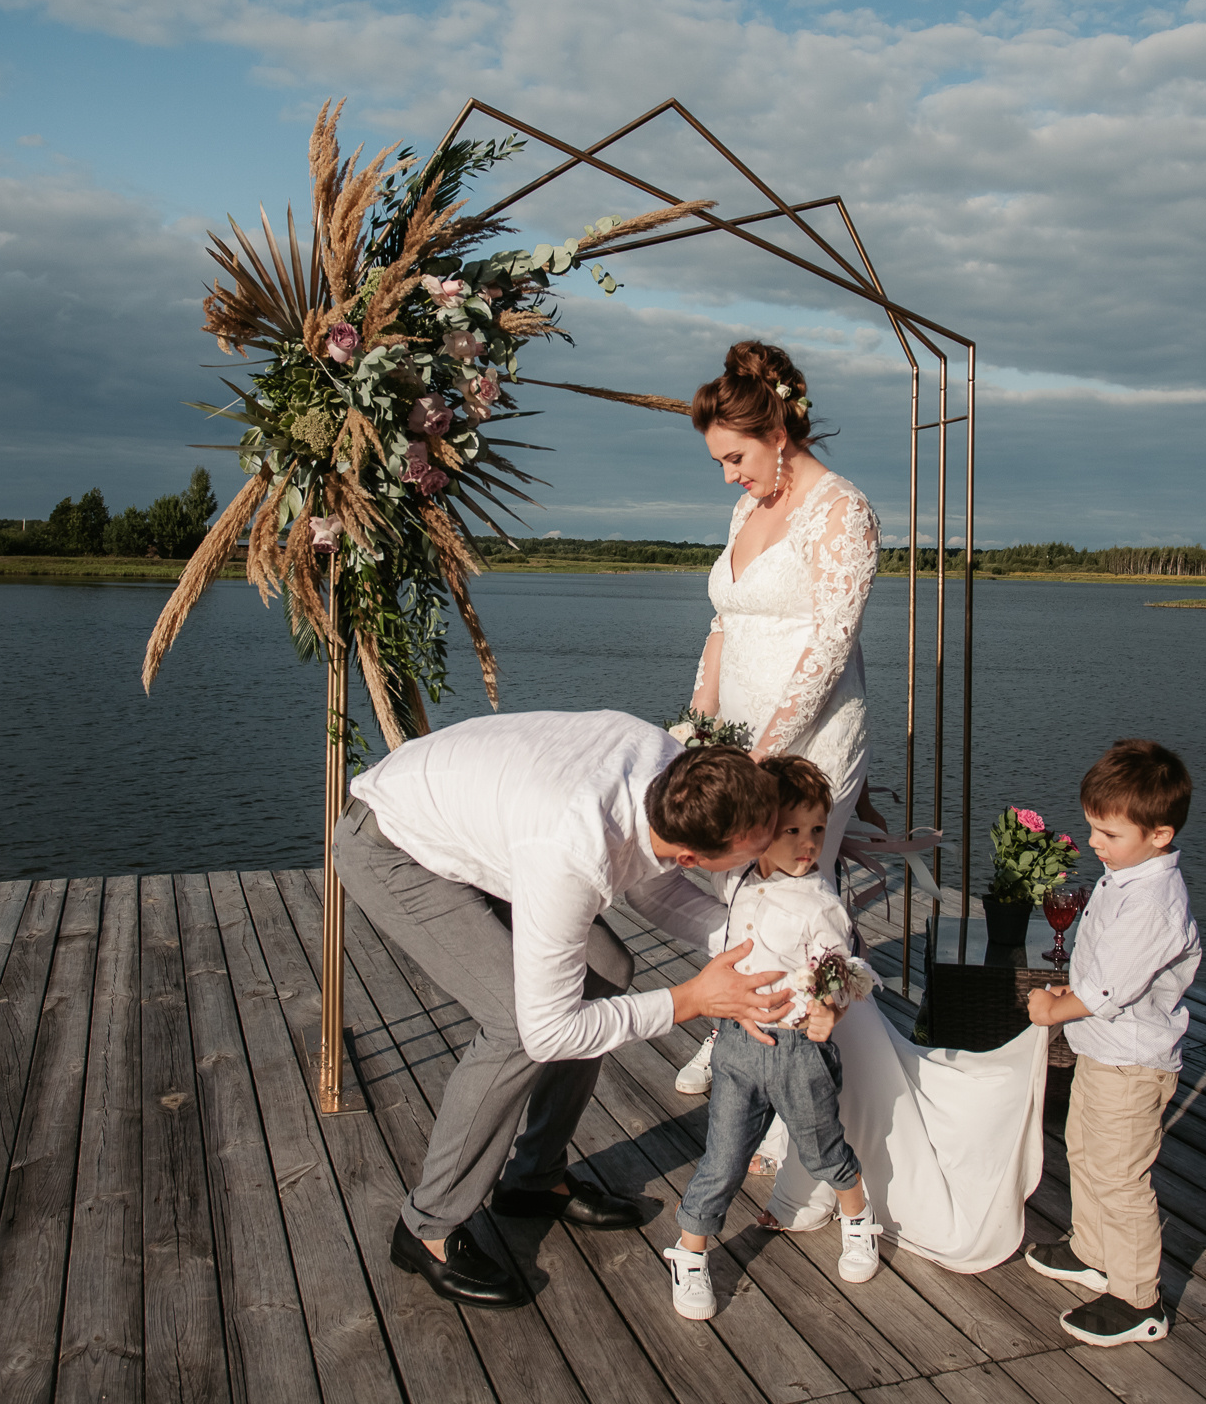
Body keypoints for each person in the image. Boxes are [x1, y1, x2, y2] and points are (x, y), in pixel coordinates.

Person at [337, 710, 794, 1309]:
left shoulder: (667, 768)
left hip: (487, 826)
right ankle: (427, 1228)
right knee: (514, 1026)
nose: (754, 867)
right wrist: (688, 1001)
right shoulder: (572, 849)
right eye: (744, 861)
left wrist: (757, 934)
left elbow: (650, 876)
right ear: (693, 855)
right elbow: (549, 1031)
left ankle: (532, 1179)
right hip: (391, 846)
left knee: (610, 972)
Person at [676, 339, 883, 1101]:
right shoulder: (745, 507)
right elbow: (723, 624)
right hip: (736, 734)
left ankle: (807, 1077)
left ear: (778, 433)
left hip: (812, 738)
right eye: (721, 464)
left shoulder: (844, 511)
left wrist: (763, 758)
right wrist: (698, 735)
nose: (731, 477)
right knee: (735, 895)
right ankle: (737, 1031)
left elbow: (831, 646)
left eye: (737, 458)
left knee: (799, 898)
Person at [665, 757, 884, 1318]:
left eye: (817, 829)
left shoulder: (820, 905)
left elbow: (839, 969)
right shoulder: (736, 879)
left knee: (822, 1148)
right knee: (723, 1156)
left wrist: (827, 1012)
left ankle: (859, 1220)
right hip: (737, 1045)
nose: (808, 844)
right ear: (760, 831)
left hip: (795, 1052)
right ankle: (690, 1253)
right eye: (792, 830)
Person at [1024, 739, 1203, 1347]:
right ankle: (1093, 1251)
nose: (1095, 843)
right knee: (1084, 1151)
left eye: (1109, 833)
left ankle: (1137, 1298)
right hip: (1104, 1052)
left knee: (1121, 1176)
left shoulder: (1153, 902)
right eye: (1093, 827)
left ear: (1159, 834)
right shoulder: (1126, 875)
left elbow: (1111, 988)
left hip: (1131, 1061)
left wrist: (1054, 1006)